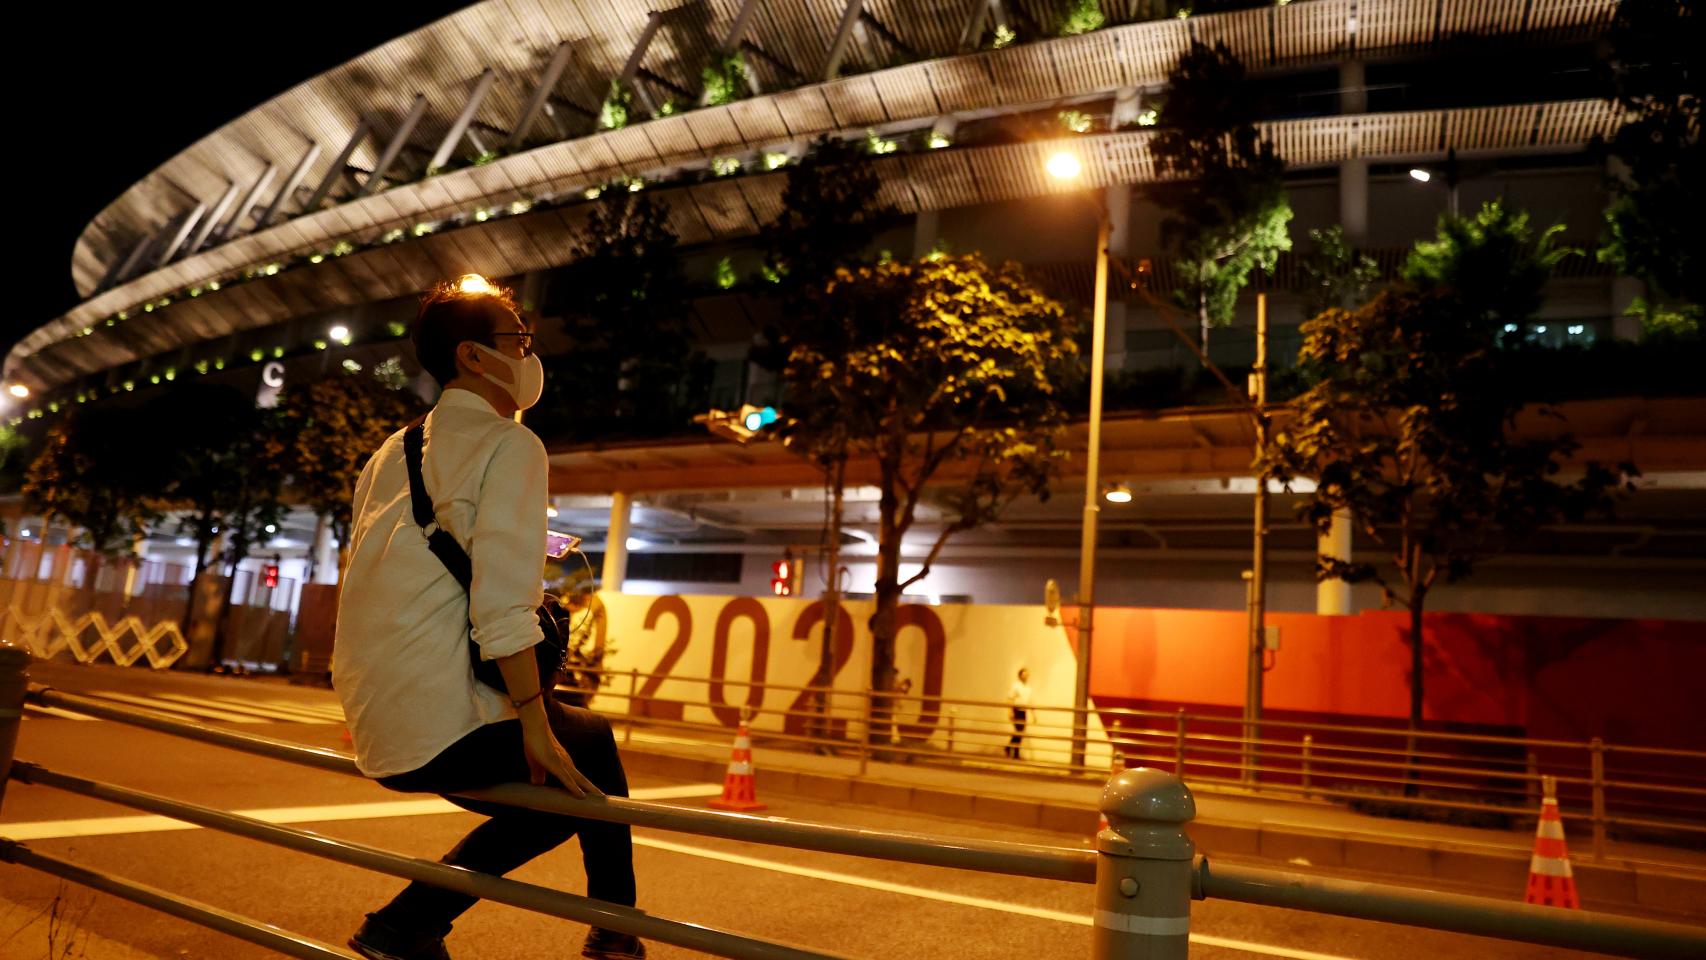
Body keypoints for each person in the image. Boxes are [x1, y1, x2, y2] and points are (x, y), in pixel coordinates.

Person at [334, 276, 644, 960]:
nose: (530, 353)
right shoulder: (511, 446)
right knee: (583, 756)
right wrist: (535, 723)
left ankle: (414, 924)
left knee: (564, 783)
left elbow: (361, 577)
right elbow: (502, 605)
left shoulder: (394, 450)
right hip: (442, 729)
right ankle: (617, 932)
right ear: (474, 356)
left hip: (376, 725)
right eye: (518, 339)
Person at [1004, 667, 1032, 760]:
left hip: (1024, 711)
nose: (1026, 676)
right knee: (1018, 731)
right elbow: (1010, 698)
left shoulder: (1028, 688)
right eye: (1024, 674)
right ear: (1020, 675)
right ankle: (1014, 752)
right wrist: (1010, 711)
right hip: (1017, 710)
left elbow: (1029, 701)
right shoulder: (1016, 685)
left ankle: (1009, 748)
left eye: (1027, 674)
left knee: (1020, 732)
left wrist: (1034, 714)